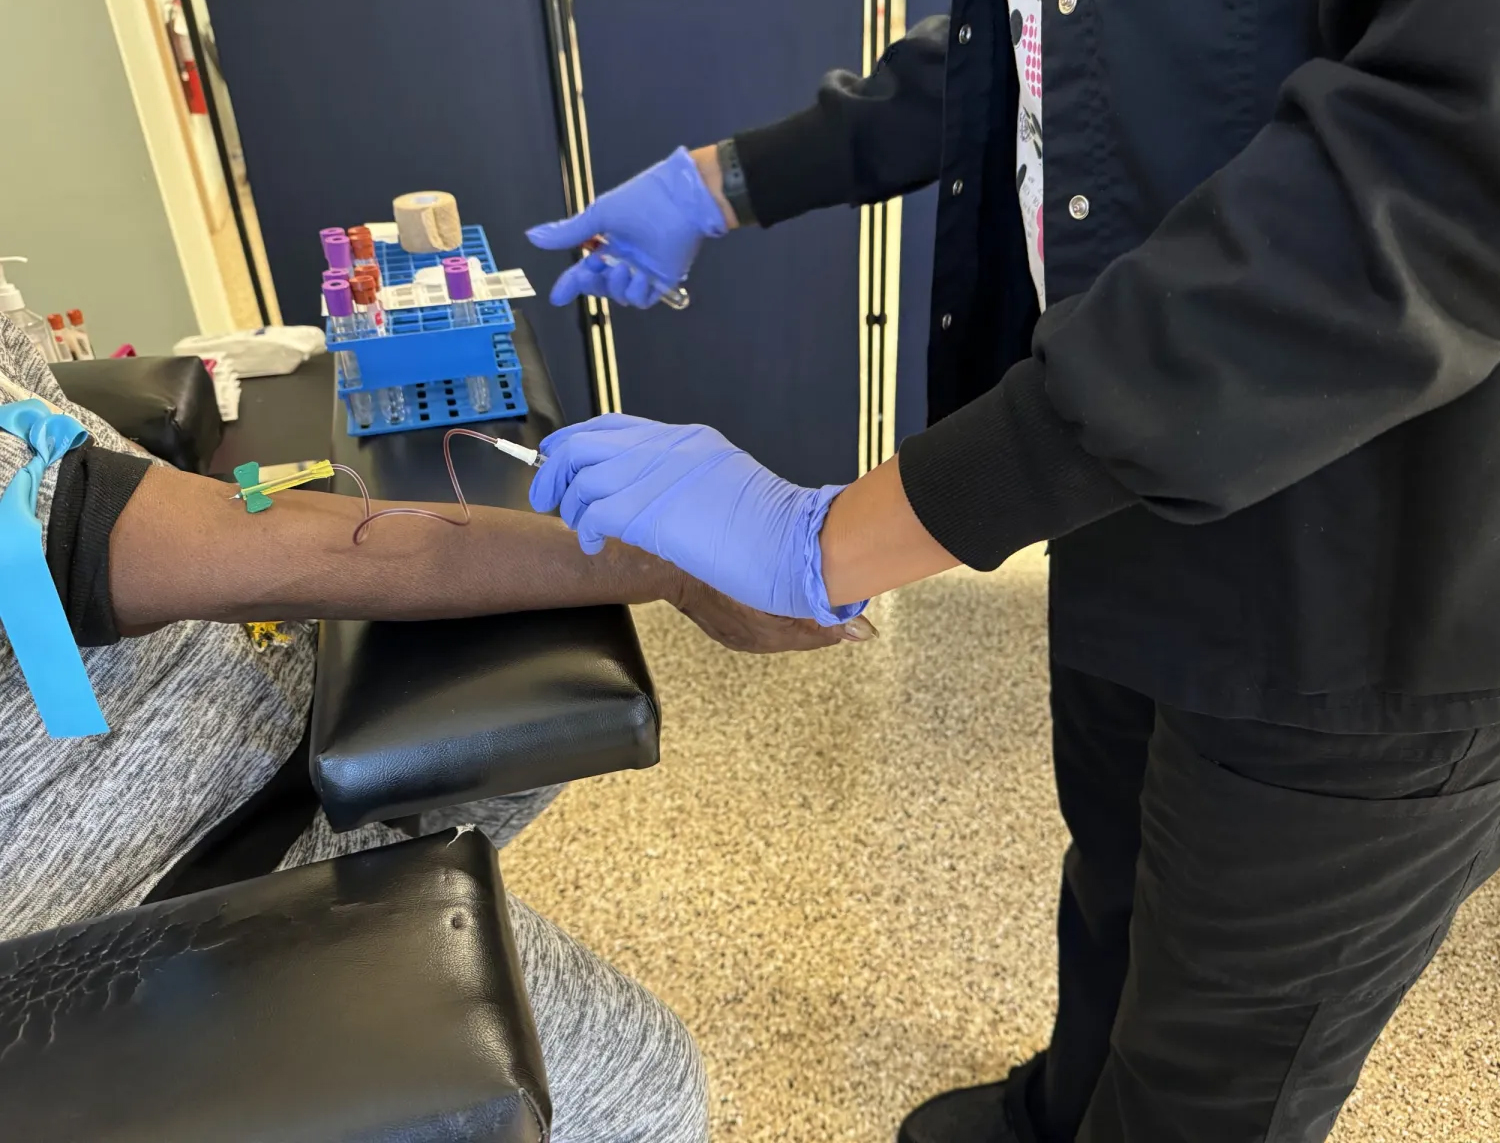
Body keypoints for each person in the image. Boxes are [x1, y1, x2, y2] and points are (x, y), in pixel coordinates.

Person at [523, 0, 1500, 1141]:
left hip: (1367, 578)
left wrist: (829, 538)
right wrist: (722, 181)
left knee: (1225, 1058)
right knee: (1116, 884)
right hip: (1118, 497)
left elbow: (1440, 186)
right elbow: (1040, 47)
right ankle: (1063, 1112)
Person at [0, 316, 871, 1142]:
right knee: (645, 1087)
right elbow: (133, 534)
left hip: (243, 705)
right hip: (140, 868)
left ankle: (403, 862)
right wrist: (668, 564)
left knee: (523, 734)